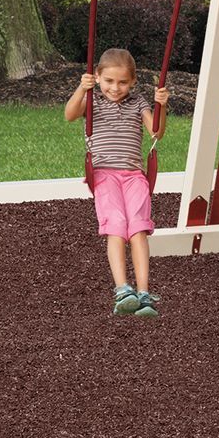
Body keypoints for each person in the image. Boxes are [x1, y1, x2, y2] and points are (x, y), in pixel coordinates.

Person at [63, 48, 169, 316]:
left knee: (138, 229)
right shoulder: (93, 100)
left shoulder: (138, 102)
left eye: (123, 82)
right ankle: (123, 289)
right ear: (98, 77)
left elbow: (156, 131)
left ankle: (144, 294)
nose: (115, 88)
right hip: (103, 174)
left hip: (134, 176)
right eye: (109, 81)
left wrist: (161, 106)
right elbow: (70, 115)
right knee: (116, 227)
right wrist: (81, 88)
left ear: (133, 81)